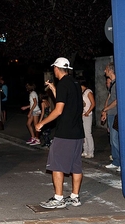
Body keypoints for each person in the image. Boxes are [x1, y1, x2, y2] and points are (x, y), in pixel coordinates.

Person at [35, 57, 84, 209]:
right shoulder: (75, 83)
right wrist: (53, 89)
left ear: (56, 68)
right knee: (76, 166)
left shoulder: (63, 84)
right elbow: (66, 101)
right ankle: (75, 197)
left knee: (57, 165)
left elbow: (59, 109)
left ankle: (58, 198)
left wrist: (42, 122)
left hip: (65, 133)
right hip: (78, 132)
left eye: (54, 69)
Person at [101, 62, 120, 172]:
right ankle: (116, 161)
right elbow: (109, 99)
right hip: (111, 114)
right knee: (113, 139)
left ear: (111, 70)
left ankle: (120, 162)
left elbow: (116, 101)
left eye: (106, 69)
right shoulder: (112, 83)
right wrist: (105, 112)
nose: (104, 71)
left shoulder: (117, 84)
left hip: (116, 114)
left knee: (115, 139)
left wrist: (106, 109)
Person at [80, 80, 95, 159]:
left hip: (87, 115)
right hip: (82, 115)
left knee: (88, 134)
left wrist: (88, 112)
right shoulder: (82, 92)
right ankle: (85, 150)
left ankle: (91, 151)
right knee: (83, 134)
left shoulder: (88, 91)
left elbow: (93, 103)